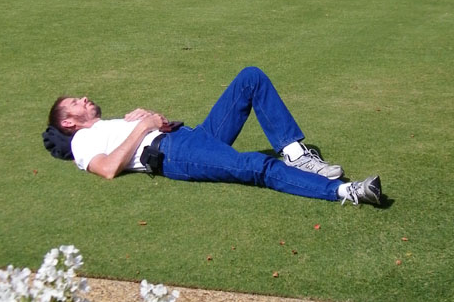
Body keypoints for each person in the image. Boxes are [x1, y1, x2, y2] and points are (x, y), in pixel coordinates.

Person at [44, 66, 382, 206]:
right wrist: (143, 127)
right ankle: (345, 191)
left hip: (190, 136)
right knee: (254, 166)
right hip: (174, 154)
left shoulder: (103, 126)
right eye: (75, 103)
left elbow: (136, 135)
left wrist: (149, 119)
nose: (84, 99)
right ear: (69, 123)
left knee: (250, 78)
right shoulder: (81, 142)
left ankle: (296, 154)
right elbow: (107, 168)